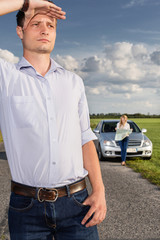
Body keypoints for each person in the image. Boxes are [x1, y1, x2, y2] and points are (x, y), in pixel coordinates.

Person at [0, 0, 107, 239]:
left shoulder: (73, 82)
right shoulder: (6, 78)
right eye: (35, 23)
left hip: (78, 205)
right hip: (26, 208)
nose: (44, 29)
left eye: (51, 25)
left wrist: (99, 190)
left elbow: (85, 138)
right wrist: (26, 3)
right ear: (20, 31)